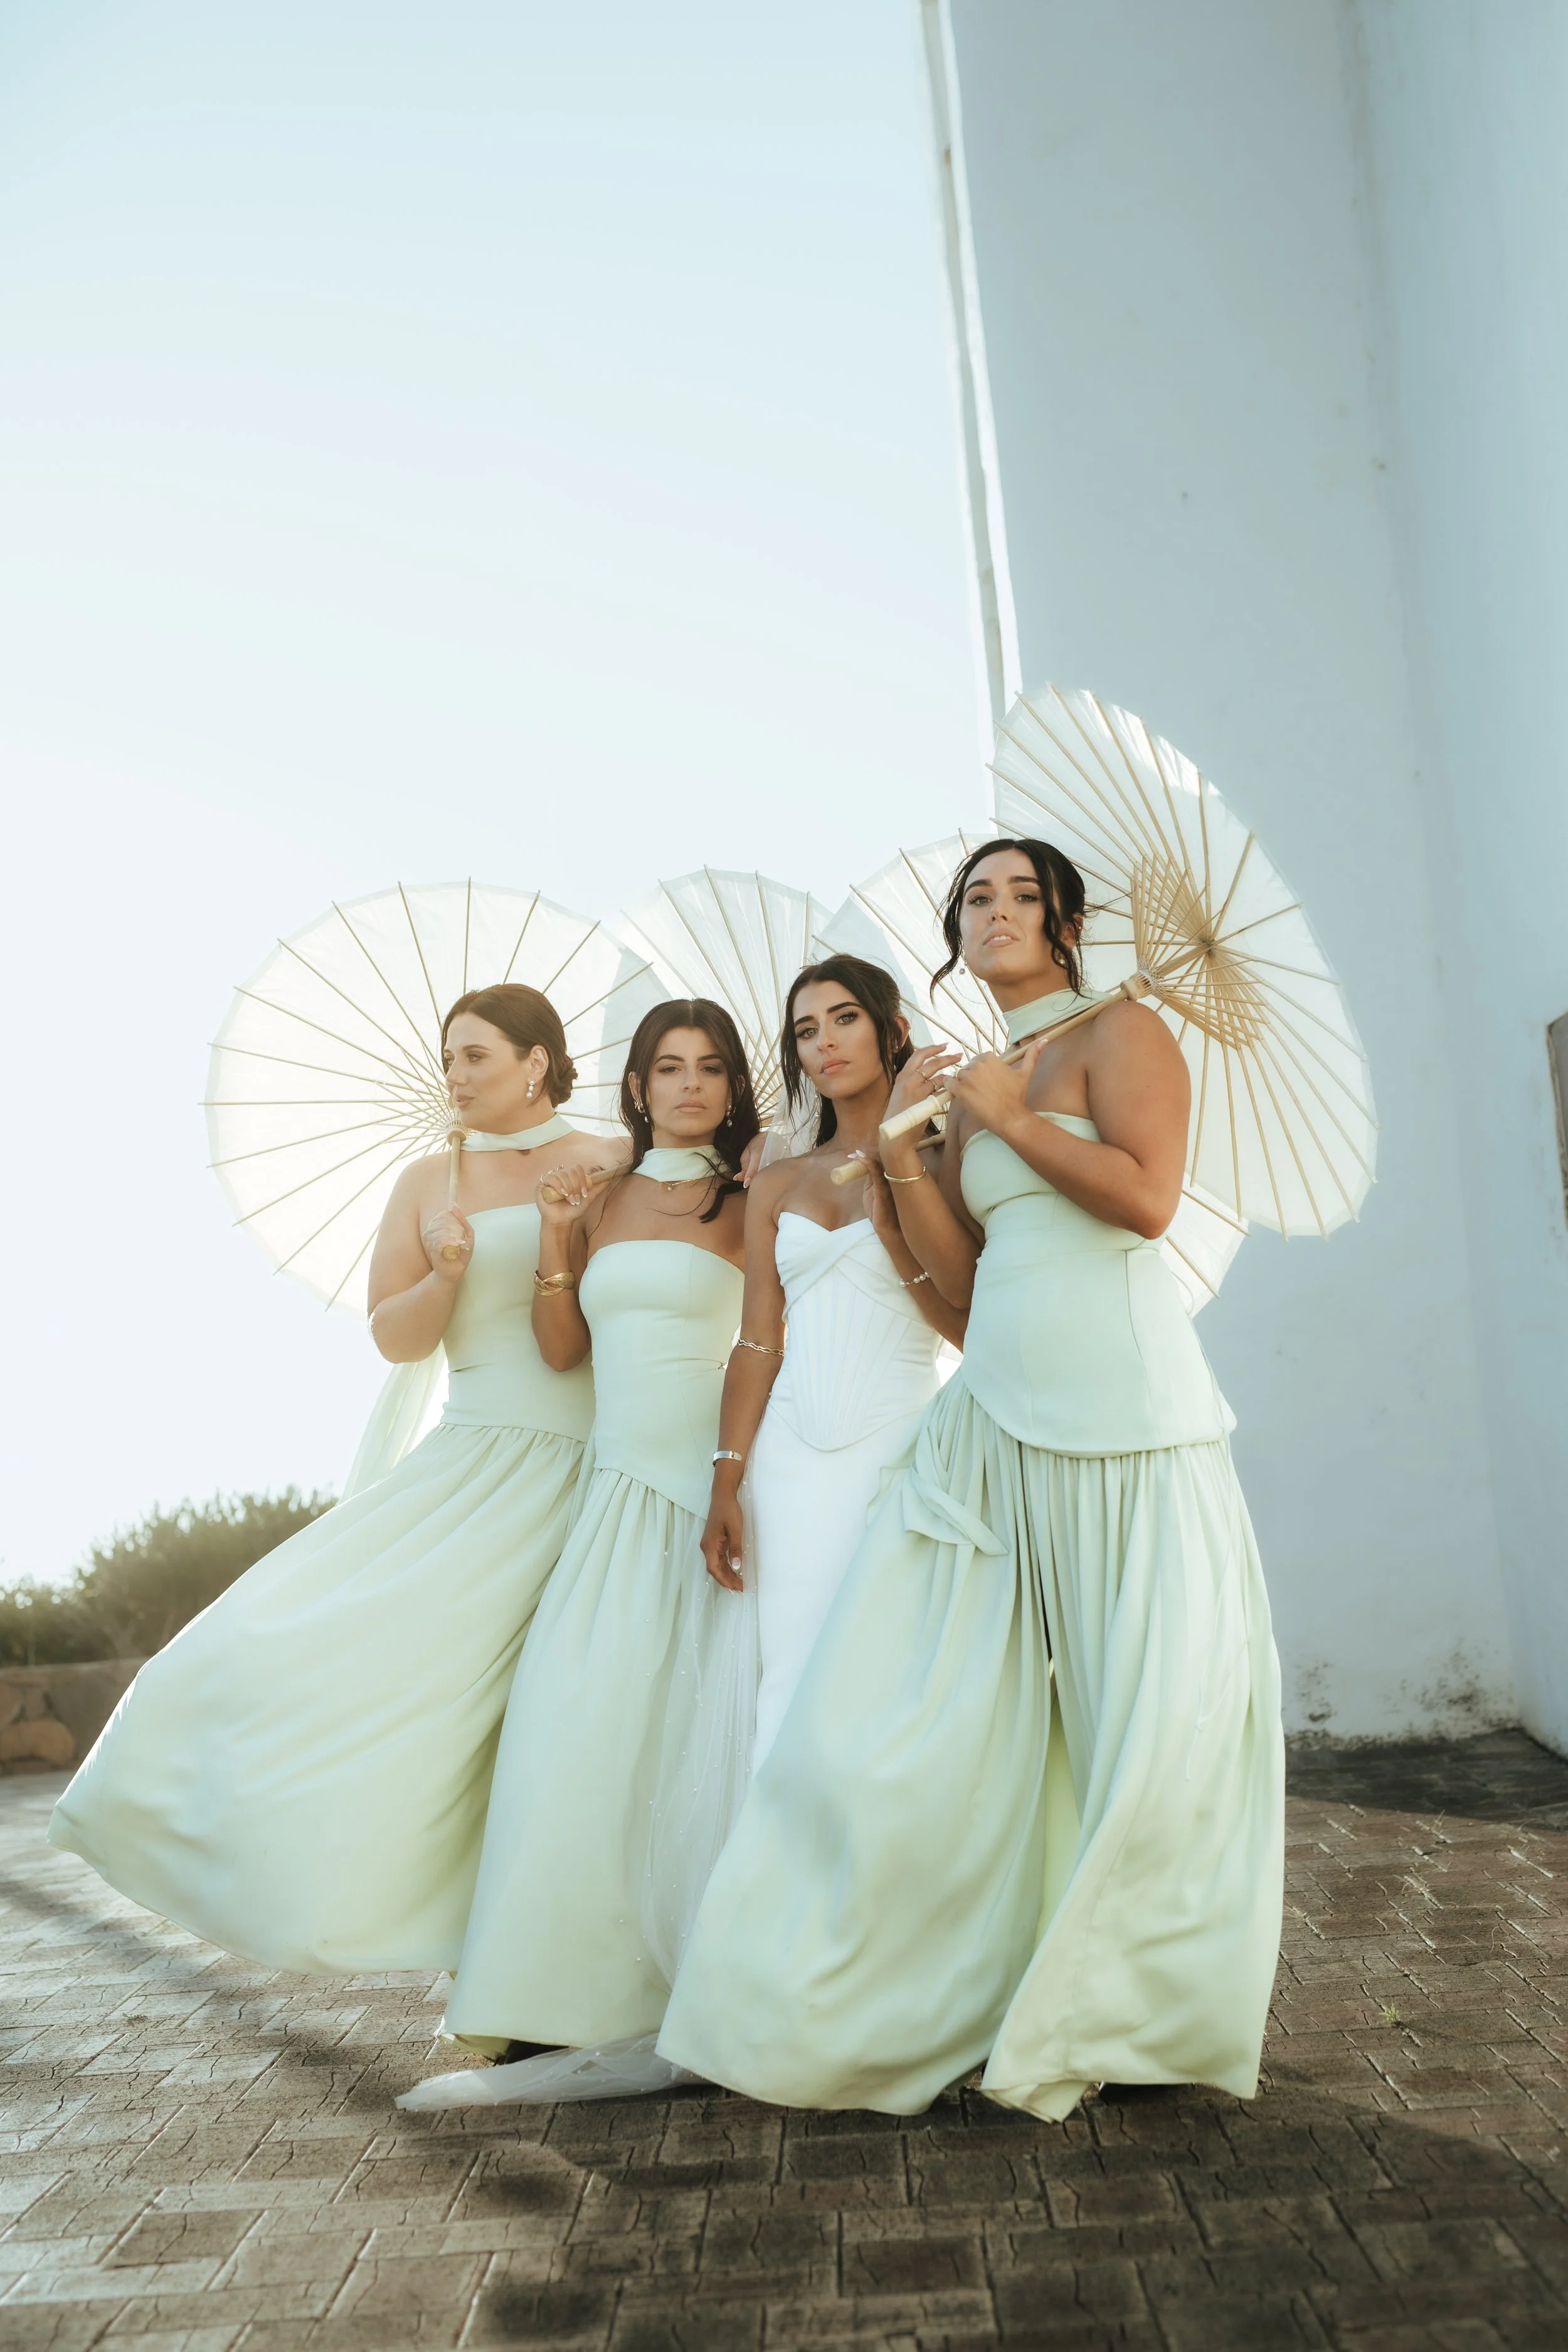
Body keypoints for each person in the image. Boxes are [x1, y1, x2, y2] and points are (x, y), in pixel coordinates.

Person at [657, 839, 1285, 2121]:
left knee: (1141, 1711)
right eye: (973, 897)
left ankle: (1143, 2019)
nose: (994, 911)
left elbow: (1146, 1201)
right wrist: (904, 1160)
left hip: (1126, 1413)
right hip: (992, 1412)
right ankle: (863, 1985)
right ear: (954, 935)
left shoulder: (1124, 1035)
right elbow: (955, 1298)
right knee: (922, 1707)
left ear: (1061, 919)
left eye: (1017, 893)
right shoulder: (965, 1086)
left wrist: (1001, 1119)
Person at [50, 985, 619, 1975]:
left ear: (539, 1061)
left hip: (608, 1458)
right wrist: (443, 1274)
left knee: (566, 1710)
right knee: (319, 1653)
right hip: (481, 1466)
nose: (457, 1076)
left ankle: (562, 1951)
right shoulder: (422, 1183)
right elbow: (394, 1336)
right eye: (451, 1059)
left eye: (475, 1055)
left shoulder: (614, 1157)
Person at [399, 999, 758, 2109]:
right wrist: (557, 1238)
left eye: (707, 1068)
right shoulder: (601, 1195)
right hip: (612, 1492)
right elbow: (563, 1349)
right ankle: (549, 2001)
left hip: (707, 1488)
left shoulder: (755, 1199)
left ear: (733, 1086)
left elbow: (766, 1340)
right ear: (637, 1085)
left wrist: (730, 1481)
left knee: (707, 1732)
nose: (686, 1085)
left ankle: (715, 1979)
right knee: (572, 1724)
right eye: (665, 1067)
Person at [702, 954, 965, 1766]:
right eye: (805, 1030)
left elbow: (969, 1314)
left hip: (902, 1444)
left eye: (844, 1018)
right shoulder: (777, 1181)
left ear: (895, 1030)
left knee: (888, 1678)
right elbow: (757, 1342)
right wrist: (727, 1475)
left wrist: (899, 1175)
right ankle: (781, 1886)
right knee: (791, 1676)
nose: (825, 1042)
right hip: (788, 1460)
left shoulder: (951, 1158)